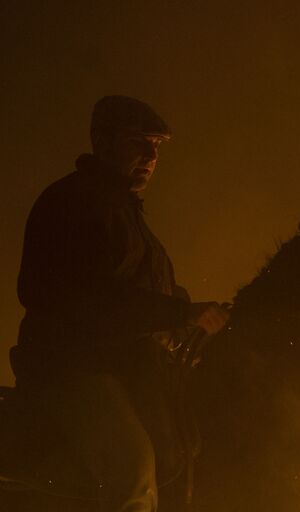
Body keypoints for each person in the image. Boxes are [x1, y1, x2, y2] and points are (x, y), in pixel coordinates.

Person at [9, 95, 230, 512]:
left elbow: (153, 294)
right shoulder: (74, 203)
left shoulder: (125, 212)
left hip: (121, 369)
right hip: (72, 371)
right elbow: (90, 300)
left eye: (157, 146)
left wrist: (199, 318)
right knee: (132, 469)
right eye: (137, 142)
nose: (150, 156)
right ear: (102, 142)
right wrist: (181, 313)